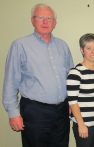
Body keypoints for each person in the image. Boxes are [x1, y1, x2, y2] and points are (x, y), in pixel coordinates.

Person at [2, 3, 73, 147]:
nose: (45, 22)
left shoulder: (63, 46)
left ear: (55, 23)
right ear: (32, 20)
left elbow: (71, 78)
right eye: (40, 17)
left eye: (49, 18)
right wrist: (13, 113)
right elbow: (10, 82)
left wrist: (72, 102)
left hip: (62, 112)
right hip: (35, 112)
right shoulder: (20, 45)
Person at [67, 33, 94, 147]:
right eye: (88, 48)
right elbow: (73, 102)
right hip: (84, 125)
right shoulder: (75, 73)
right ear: (82, 50)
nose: (93, 52)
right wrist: (81, 125)